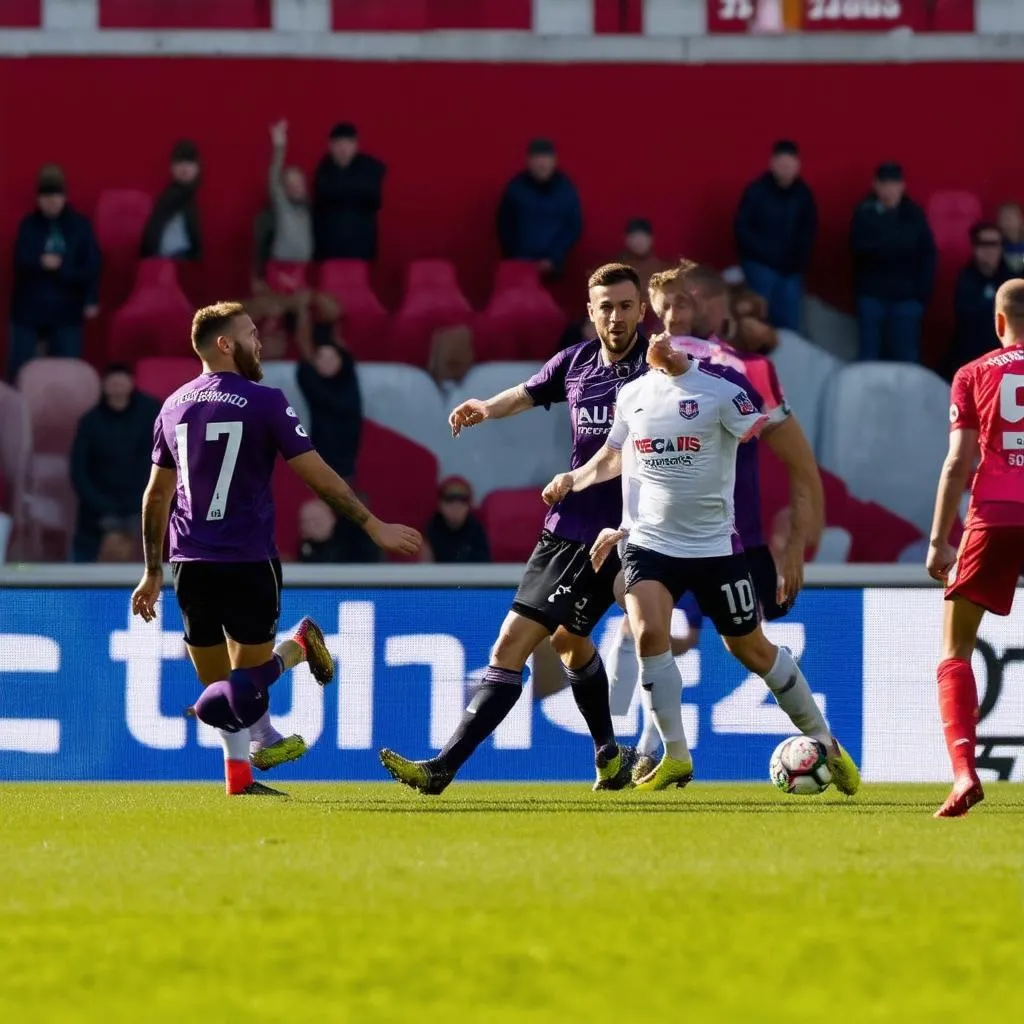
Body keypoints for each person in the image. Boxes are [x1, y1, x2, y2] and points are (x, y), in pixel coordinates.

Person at [542, 335, 860, 793]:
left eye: (668, 335)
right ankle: (674, 754)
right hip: (649, 543)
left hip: (715, 547)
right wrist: (574, 479)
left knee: (751, 650)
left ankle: (824, 740)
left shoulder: (725, 386)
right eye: (655, 330)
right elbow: (615, 458)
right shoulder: (631, 394)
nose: (658, 338)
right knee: (649, 632)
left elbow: (760, 432)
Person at [130, 301, 421, 796]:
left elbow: (155, 495)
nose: (259, 342)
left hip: (225, 562)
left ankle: (244, 770)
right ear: (225, 344)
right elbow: (318, 475)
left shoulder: (172, 405)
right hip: (210, 562)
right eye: (250, 334)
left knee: (233, 689)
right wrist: (372, 523)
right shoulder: (266, 401)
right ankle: (294, 656)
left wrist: (151, 570)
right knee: (220, 693)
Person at [378, 263, 649, 795]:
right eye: (605, 307)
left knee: (512, 646)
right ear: (590, 312)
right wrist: (485, 407)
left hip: (628, 529)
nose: (615, 317)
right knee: (571, 641)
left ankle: (441, 769)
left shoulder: (657, 370)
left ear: (642, 309)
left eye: (625, 306)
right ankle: (610, 756)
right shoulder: (575, 363)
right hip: (571, 529)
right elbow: (526, 393)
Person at [926, 278, 1024, 818]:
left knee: (956, 649)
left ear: (998, 321)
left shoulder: (974, 373)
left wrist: (940, 539)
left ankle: (964, 773)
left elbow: (957, 462)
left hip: (995, 515)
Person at [8, 164, 101, 380]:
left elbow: (92, 265)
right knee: (20, 373)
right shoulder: (29, 225)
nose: (51, 201)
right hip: (29, 309)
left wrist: (90, 298)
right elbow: (19, 259)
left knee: (66, 373)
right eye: (46, 196)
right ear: (38, 198)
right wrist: (41, 261)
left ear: (64, 197)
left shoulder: (80, 226)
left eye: (55, 196)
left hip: (67, 308)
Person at [70, 364, 161, 563]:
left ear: (131, 384)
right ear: (104, 386)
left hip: (142, 498)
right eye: (112, 383)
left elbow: (162, 460)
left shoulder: (151, 413)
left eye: (122, 382)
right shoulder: (90, 421)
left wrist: (142, 500)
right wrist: (101, 505)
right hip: (99, 503)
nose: (117, 388)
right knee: (88, 541)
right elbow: (78, 471)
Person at [850, 162, 937, 363]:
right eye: (884, 184)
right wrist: (895, 241)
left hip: (907, 300)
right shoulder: (864, 213)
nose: (889, 189)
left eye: (894, 184)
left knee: (905, 360)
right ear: (876, 185)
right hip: (872, 298)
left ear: (902, 186)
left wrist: (921, 294)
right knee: (869, 359)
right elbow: (860, 249)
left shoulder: (914, 214)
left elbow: (927, 254)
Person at [733, 140, 817, 331]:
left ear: (797, 166)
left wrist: (798, 261)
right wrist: (763, 256)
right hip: (761, 267)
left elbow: (808, 232)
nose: (786, 168)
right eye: (781, 163)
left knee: (788, 325)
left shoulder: (803, 195)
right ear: (772, 163)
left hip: (791, 271)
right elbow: (742, 229)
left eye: (790, 164)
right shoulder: (756, 191)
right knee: (757, 321)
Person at [497, 138, 582, 278]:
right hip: (520, 266)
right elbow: (504, 225)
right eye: (537, 159)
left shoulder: (566, 189)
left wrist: (554, 257)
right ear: (528, 162)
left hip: (554, 266)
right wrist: (518, 257)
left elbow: (573, 226)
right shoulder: (515, 188)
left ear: (554, 161)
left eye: (546, 159)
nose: (542, 164)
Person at [252, 120, 314, 286]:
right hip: (280, 269)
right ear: (284, 189)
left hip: (302, 270)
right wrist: (279, 146)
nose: (296, 188)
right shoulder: (283, 207)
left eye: (299, 183)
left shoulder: (309, 209)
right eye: (291, 185)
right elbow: (273, 177)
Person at [313, 122, 386, 261]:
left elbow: (374, 199)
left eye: (348, 144)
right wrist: (356, 189)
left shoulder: (371, 167)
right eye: (339, 144)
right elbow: (324, 197)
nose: (343, 149)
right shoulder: (323, 169)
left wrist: (341, 190)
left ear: (356, 146)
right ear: (330, 147)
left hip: (361, 246)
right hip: (330, 249)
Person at [947, 222, 1010, 377]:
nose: (990, 251)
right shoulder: (966, 278)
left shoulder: (1011, 279)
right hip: (974, 354)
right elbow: (965, 317)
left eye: (995, 244)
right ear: (974, 248)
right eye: (984, 244)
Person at [140, 140, 202, 261]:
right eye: (179, 162)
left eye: (189, 162)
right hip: (168, 262)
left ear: (198, 168)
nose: (184, 168)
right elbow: (152, 237)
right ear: (171, 168)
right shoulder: (171, 197)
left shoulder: (187, 197)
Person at [423, 476, 491, 564]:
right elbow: (426, 568)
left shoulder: (477, 529)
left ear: (469, 505)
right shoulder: (431, 529)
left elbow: (485, 568)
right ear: (439, 504)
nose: (456, 506)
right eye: (449, 499)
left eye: (462, 500)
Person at [997, 202, 1024, 275]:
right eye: (1002, 218)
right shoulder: (996, 246)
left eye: (1009, 218)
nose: (1006, 223)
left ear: (1020, 220)